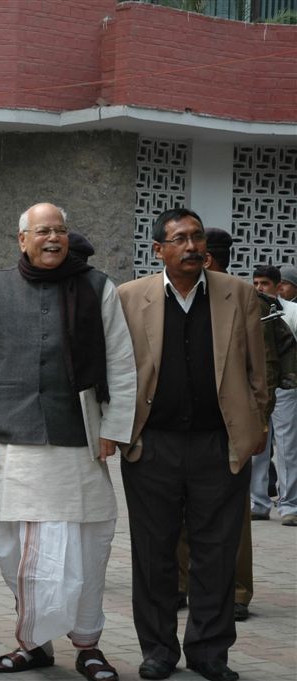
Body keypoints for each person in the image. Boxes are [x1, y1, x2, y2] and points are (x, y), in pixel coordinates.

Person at [0, 203, 136, 680]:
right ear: (23, 239)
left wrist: (113, 428)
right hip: (12, 442)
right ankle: (33, 642)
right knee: (10, 543)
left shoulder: (98, 287)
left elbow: (120, 362)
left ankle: (88, 644)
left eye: (59, 230)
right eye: (42, 231)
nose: (53, 238)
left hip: (79, 438)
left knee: (83, 546)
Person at [117, 208, 268, 681]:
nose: (192, 247)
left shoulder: (239, 295)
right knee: (153, 552)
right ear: (159, 249)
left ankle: (208, 651)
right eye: (179, 239)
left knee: (217, 552)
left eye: (197, 237)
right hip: (152, 447)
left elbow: (257, 375)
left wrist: (252, 428)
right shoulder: (129, 297)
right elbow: (118, 373)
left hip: (218, 447)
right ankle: (158, 649)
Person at [176, 231, 281, 624]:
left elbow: (263, 368)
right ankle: (183, 584)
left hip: (229, 428)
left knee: (232, 518)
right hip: (182, 426)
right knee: (181, 512)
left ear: (208, 260)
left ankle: (236, 591)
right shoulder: (175, 297)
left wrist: (258, 423)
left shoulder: (241, 298)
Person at [250, 265, 297, 527]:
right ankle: (258, 503)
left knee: (288, 448)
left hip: (286, 391)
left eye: (265, 284)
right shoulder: (250, 311)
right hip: (258, 388)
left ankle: (290, 505)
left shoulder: (291, 312)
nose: (259, 289)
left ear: (278, 287)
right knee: (258, 447)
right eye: (255, 283)